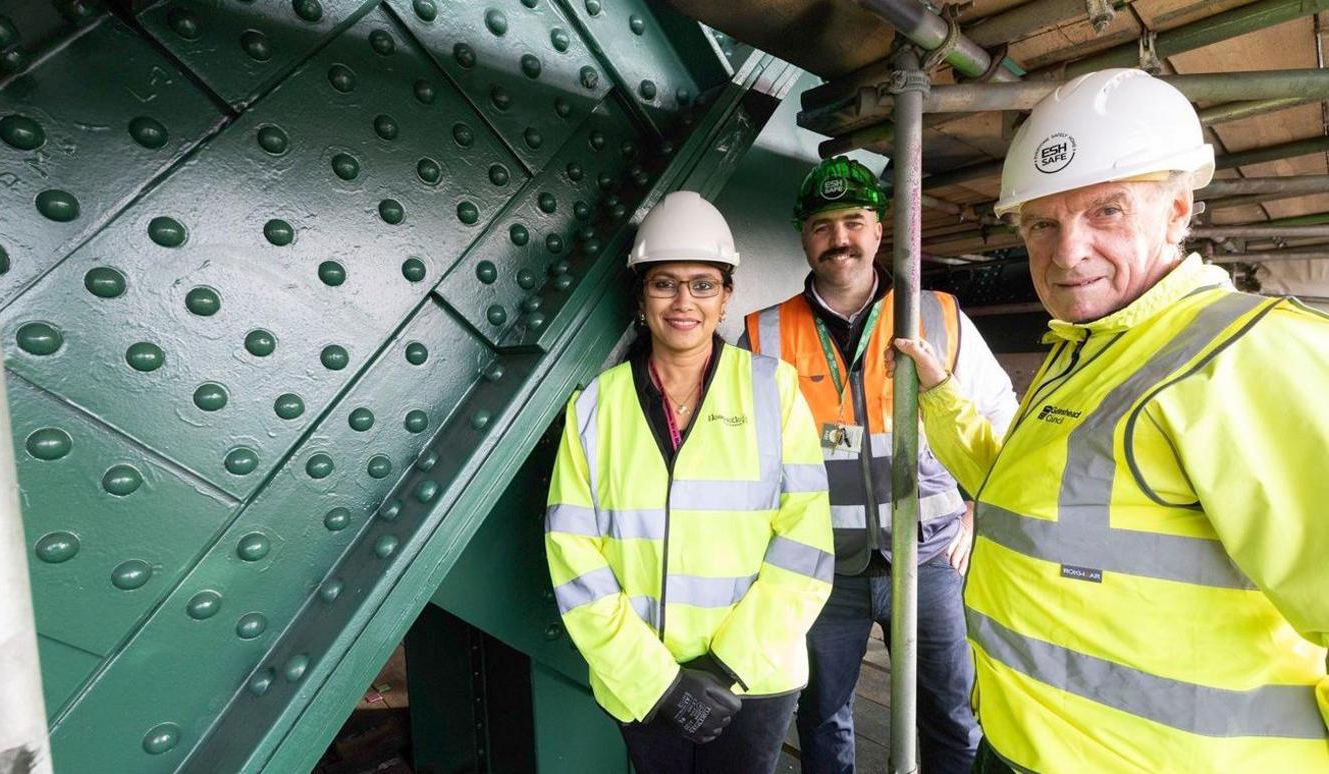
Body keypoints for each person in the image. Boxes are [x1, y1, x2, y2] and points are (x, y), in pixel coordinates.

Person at [891, 68, 1329, 772]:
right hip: (1018, 749)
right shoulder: (1087, 349)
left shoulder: (1250, 358)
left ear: (1178, 210)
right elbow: (1024, 502)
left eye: (1107, 212)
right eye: (1042, 223)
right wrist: (942, 398)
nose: (1067, 252)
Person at [740, 157, 1018, 774]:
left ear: (878, 228)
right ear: (803, 236)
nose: (840, 239)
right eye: (822, 225)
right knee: (821, 718)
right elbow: (744, 460)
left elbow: (1002, 416)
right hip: (820, 570)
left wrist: (978, 508)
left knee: (951, 715)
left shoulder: (940, 315)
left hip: (929, 559)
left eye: (853, 221)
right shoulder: (762, 334)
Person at [545, 190, 835, 774]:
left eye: (703, 284)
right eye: (664, 283)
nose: (684, 302)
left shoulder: (771, 390)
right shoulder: (597, 406)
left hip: (754, 681)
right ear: (641, 295)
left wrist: (728, 669)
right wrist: (657, 679)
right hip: (640, 683)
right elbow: (572, 552)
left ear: (725, 297)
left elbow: (806, 543)